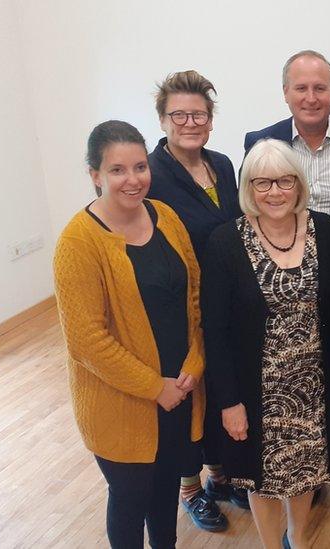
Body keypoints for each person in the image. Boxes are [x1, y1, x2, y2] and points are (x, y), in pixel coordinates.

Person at [53, 120, 205, 548]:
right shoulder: (78, 242)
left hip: (179, 388)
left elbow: (194, 296)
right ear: (95, 175)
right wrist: (153, 387)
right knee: (130, 497)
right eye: (117, 170)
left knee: (164, 491)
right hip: (125, 403)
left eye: (140, 166)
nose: (133, 179)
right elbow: (86, 341)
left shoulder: (166, 217)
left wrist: (194, 363)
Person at [202, 138, 330, 549]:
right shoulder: (225, 243)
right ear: (248, 188)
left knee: (304, 476)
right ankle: (270, 544)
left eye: (284, 181)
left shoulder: (328, 232)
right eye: (262, 183)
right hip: (255, 390)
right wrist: (229, 401)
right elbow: (216, 330)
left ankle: (298, 539)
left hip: (314, 387)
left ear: (299, 184)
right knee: (261, 482)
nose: (275, 192)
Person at [146, 69, 244, 530]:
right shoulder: (152, 174)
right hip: (176, 308)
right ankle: (190, 488)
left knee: (223, 385)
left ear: (210, 119)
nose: (190, 122)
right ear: (163, 119)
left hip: (223, 298)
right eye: (179, 114)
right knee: (188, 396)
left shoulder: (222, 164)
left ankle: (220, 476)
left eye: (199, 114)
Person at [244, 50, 330, 216]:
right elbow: (248, 205)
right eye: (301, 88)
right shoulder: (260, 143)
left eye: (319, 88)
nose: (311, 98)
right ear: (286, 92)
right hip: (281, 240)